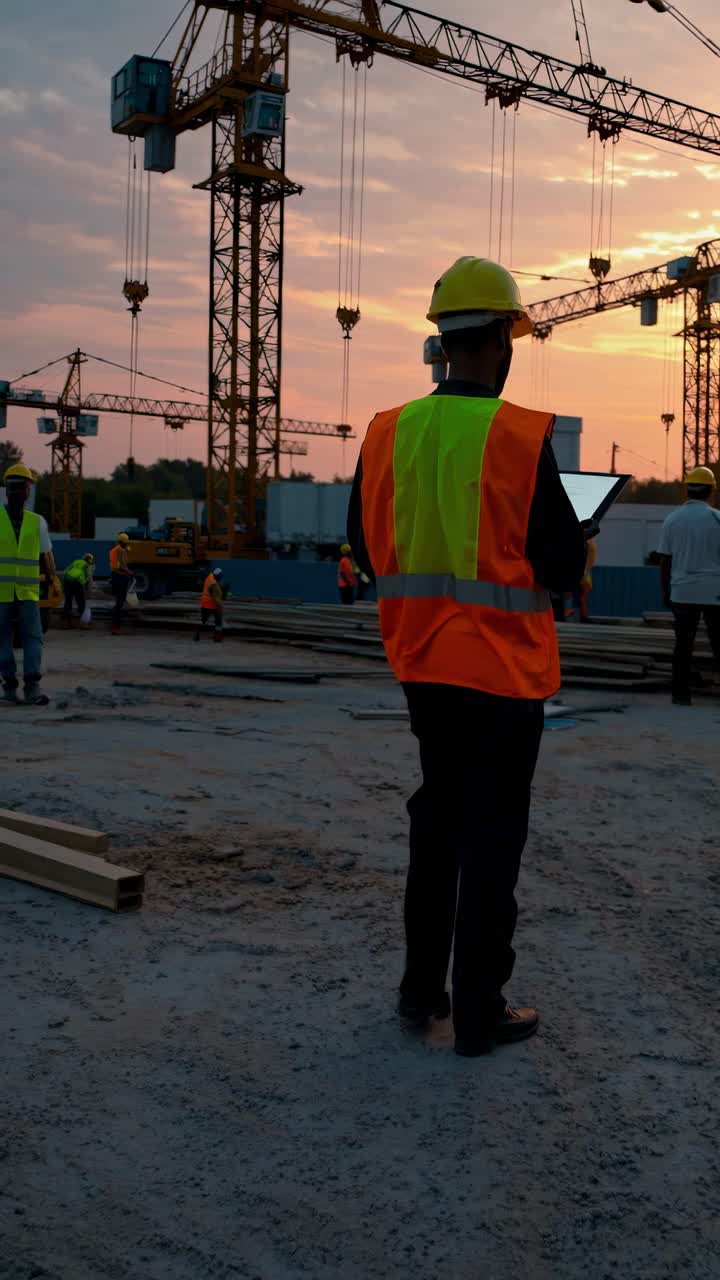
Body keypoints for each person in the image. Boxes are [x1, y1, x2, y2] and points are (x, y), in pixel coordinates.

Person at [348, 256, 589, 1057]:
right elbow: (555, 565)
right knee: (492, 837)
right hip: (504, 676)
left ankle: (421, 993)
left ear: (444, 342)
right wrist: (573, 547)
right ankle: (479, 1012)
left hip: (422, 665)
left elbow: (363, 543)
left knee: (437, 821)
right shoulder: (520, 436)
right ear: (502, 340)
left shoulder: (388, 431)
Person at [658, 465, 720, 705]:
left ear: (687, 491)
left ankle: (680, 694)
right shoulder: (716, 519)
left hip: (682, 591)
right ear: (711, 491)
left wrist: (666, 593)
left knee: (683, 645)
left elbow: (666, 561)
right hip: (714, 591)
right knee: (718, 644)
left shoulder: (672, 520)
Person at [0, 463, 56, 705]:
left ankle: (19, 687)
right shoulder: (38, 522)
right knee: (29, 638)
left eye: (18, 487)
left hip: (25, 592)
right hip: (7, 592)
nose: (16, 492)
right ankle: (21, 688)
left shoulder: (37, 523)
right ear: (28, 491)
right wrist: (52, 580)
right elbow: (49, 561)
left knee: (18, 638)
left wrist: (51, 580)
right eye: (15, 487)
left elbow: (46, 559)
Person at [109, 532, 132, 635]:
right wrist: (130, 572)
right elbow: (122, 566)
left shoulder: (115, 549)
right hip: (120, 577)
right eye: (126, 543)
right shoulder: (121, 550)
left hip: (115, 576)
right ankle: (116, 627)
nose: (127, 544)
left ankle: (115, 625)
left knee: (118, 602)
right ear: (123, 542)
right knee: (119, 603)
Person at [63, 553, 95, 626]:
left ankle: (66, 622)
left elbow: (66, 571)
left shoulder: (76, 561)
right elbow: (90, 579)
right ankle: (83, 623)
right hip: (77, 582)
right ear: (90, 561)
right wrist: (90, 592)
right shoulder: (87, 565)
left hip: (67, 580)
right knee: (81, 601)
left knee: (68, 601)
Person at [194, 568, 224, 642]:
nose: (221, 577)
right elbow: (215, 596)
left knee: (203, 620)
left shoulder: (209, 577)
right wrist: (220, 605)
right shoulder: (213, 582)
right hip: (212, 605)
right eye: (220, 576)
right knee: (218, 621)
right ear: (217, 575)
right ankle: (217, 637)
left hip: (205, 604)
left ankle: (197, 635)